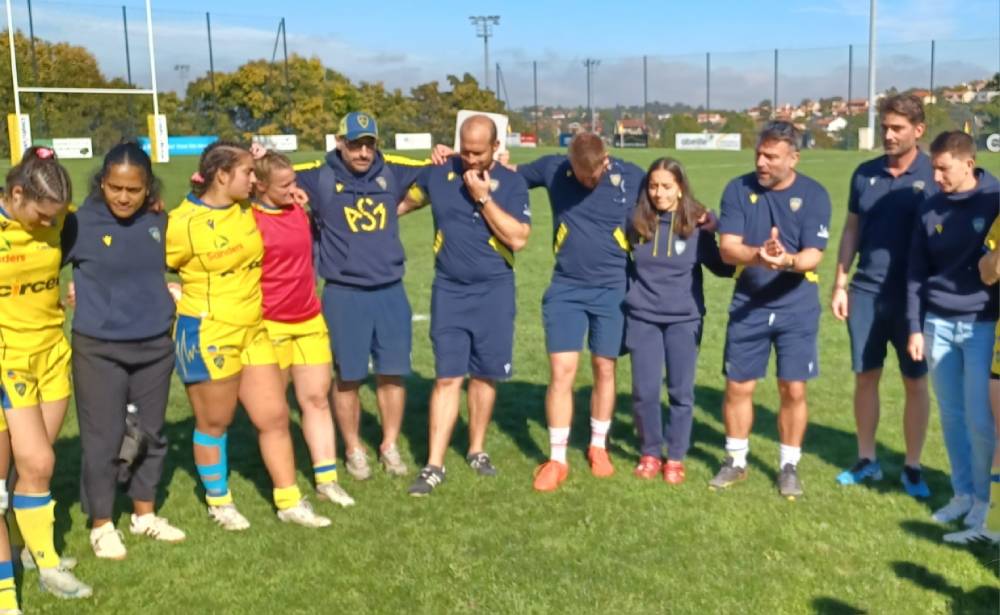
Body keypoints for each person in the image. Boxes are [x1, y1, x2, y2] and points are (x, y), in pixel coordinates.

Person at [434, 133, 644, 491]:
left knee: (604, 367)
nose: (586, 181)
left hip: (612, 289)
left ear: (605, 160)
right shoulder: (554, 168)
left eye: (592, 176)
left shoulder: (632, 175)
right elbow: (505, 171)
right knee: (562, 371)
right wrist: (455, 157)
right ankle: (557, 458)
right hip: (566, 288)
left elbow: (668, 193)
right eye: (580, 175)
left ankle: (597, 446)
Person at [167, 141, 330, 530]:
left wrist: (258, 155)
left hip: (253, 330)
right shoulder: (183, 222)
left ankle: (289, 500)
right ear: (222, 176)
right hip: (209, 332)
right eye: (247, 174)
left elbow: (275, 180)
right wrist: (166, 291)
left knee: (274, 416)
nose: (254, 181)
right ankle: (219, 501)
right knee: (215, 421)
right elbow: (146, 264)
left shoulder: (244, 209)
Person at [62, 142, 185, 560]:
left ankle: (144, 514)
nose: (123, 197)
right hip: (99, 349)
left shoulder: (161, 220)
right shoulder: (78, 224)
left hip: (154, 345)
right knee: (104, 439)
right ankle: (101, 524)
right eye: (115, 187)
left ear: (148, 187)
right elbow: (39, 258)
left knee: (150, 434)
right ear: (102, 182)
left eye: (133, 189)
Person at [295, 112, 429, 480]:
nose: (363, 152)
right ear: (339, 143)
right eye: (355, 144)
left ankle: (389, 444)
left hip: (390, 290)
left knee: (392, 374)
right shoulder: (318, 174)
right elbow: (268, 177)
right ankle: (353, 447)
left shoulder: (393, 170)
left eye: (369, 144)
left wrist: (409, 202)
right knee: (348, 377)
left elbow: (437, 175)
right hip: (343, 293)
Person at [404, 115, 531, 496]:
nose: (470, 159)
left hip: (494, 291)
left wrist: (484, 198)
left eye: (478, 152)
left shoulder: (511, 183)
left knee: (485, 374)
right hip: (449, 291)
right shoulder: (439, 174)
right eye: (465, 149)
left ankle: (476, 450)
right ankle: (434, 464)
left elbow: (519, 238)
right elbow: (398, 205)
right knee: (447, 376)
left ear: (496, 147)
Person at [709, 121, 832, 499]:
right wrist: (759, 257)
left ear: (793, 158)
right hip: (749, 303)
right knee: (738, 385)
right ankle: (736, 460)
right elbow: (728, 247)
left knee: (792, 388)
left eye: (771, 157)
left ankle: (788, 465)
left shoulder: (814, 194)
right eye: (759, 154)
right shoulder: (737, 189)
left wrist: (787, 261)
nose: (761, 162)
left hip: (797, 305)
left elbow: (814, 256)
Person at [0, 146, 93, 599]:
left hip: (52, 353)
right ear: (16, 194)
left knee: (31, 468)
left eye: (55, 217)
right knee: (38, 462)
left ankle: (24, 547)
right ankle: (48, 567)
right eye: (41, 216)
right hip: (8, 360)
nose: (49, 224)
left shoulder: (64, 221)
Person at [831, 94, 935, 497]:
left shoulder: (934, 173)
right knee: (866, 376)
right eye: (885, 127)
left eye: (898, 129)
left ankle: (913, 466)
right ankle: (867, 458)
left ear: (918, 131)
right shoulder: (864, 174)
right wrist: (840, 282)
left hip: (916, 298)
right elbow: (852, 229)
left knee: (915, 382)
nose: (889, 135)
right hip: (866, 292)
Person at [250, 145, 354, 507]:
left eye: (293, 181)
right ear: (259, 185)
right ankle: (285, 485)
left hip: (309, 319)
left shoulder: (299, 209)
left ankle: (327, 480)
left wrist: (303, 201)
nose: (293, 188)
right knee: (276, 411)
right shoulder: (246, 217)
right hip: (269, 326)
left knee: (316, 400)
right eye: (283, 185)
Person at [906, 131, 998, 536]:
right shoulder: (929, 209)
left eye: (943, 168)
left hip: (982, 323)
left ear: (969, 163)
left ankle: (984, 501)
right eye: (933, 167)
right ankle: (961, 494)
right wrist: (915, 326)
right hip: (936, 325)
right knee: (952, 416)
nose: (936, 176)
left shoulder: (994, 200)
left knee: (981, 420)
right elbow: (914, 273)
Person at [624, 158, 733, 483]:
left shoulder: (696, 226)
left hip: (684, 319)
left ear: (680, 188)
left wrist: (721, 227)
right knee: (644, 391)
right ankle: (649, 451)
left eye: (666, 187)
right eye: (653, 186)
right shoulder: (635, 223)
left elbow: (725, 266)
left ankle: (675, 456)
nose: (659, 193)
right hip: (643, 317)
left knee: (680, 391)